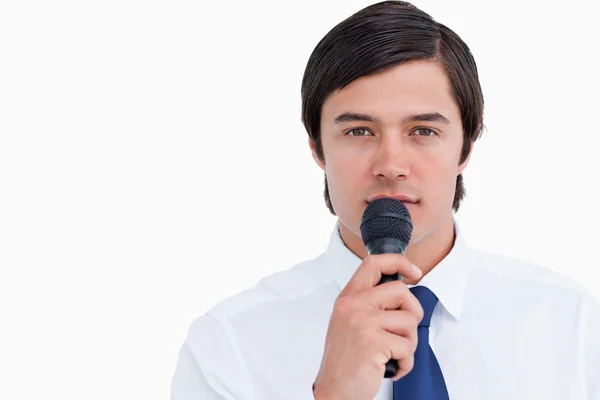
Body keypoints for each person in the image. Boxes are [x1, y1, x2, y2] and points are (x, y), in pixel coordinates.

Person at [170, 1, 600, 399]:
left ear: (466, 147)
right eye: (359, 131)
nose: (391, 164)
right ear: (318, 147)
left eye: (423, 131)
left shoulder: (574, 327)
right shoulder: (228, 345)